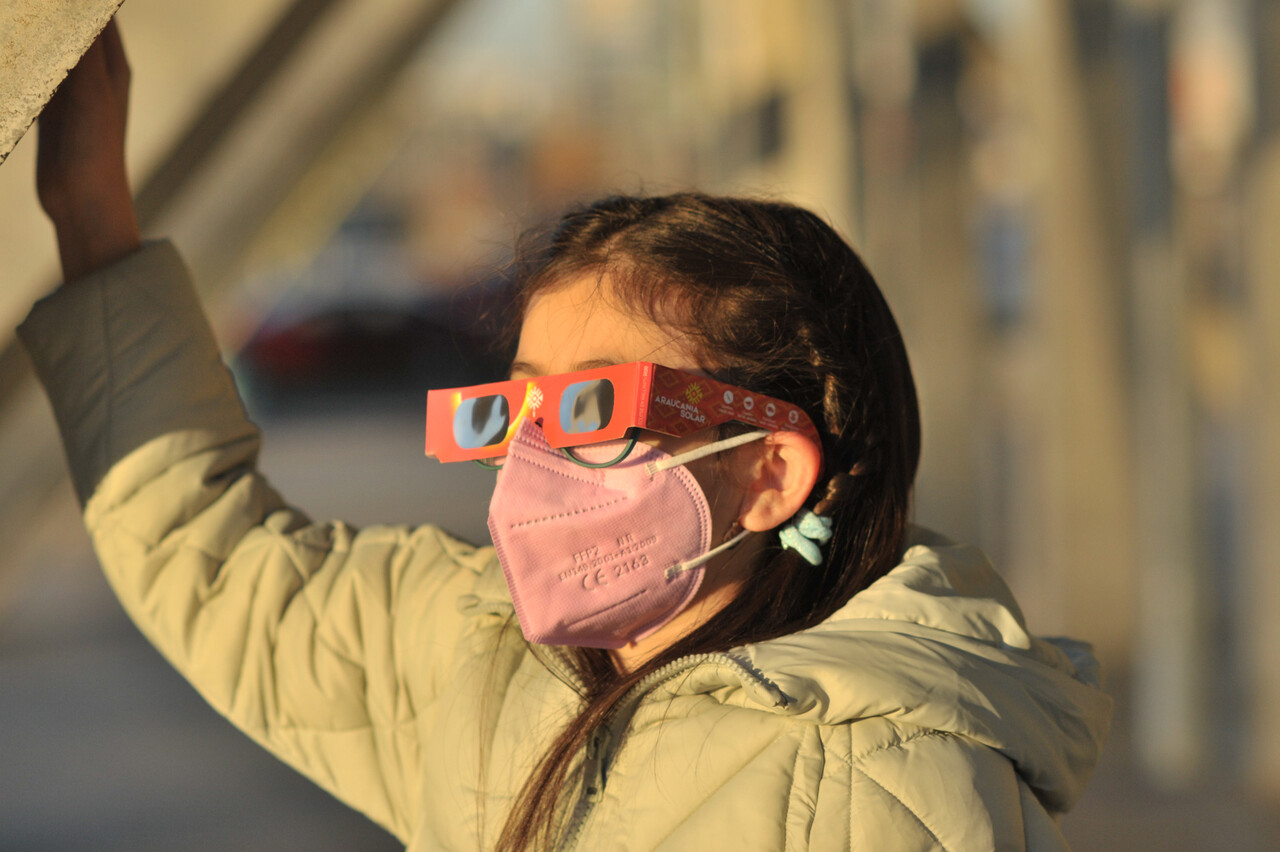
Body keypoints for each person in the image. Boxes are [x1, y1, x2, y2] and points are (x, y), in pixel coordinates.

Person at [17, 21, 1111, 852]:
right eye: (515, 409)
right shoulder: (479, 656)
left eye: (587, 410)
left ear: (770, 471)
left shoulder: (887, 783)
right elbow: (216, 564)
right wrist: (89, 211)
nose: (530, 462)